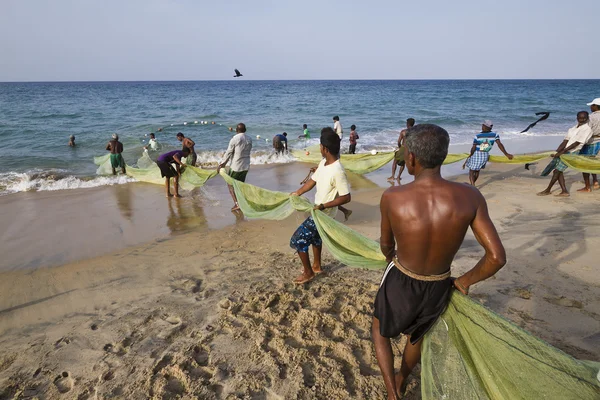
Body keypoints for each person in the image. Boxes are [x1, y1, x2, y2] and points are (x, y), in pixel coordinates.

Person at [373, 124, 507, 400]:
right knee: (417, 336)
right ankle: (401, 378)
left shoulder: (392, 197)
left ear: (411, 158)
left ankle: (391, 391)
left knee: (378, 327)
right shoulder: (470, 196)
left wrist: (389, 257)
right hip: (438, 285)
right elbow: (496, 258)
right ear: (444, 156)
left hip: (401, 276)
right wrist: (463, 281)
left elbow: (387, 245)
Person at [290, 127, 351, 284]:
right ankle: (316, 266)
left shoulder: (338, 170)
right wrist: (297, 193)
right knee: (316, 238)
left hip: (324, 213)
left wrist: (324, 206)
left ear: (325, 148)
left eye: (320, 146)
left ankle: (308, 272)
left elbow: (346, 197)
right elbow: (312, 181)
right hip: (319, 210)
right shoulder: (323, 163)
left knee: (298, 240)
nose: (319, 149)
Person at [537, 111, 593, 197]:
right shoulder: (572, 129)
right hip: (565, 151)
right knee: (557, 171)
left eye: (584, 118)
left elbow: (576, 143)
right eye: (580, 118)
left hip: (572, 152)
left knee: (557, 171)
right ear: (577, 118)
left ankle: (548, 190)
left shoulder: (587, 129)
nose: (582, 119)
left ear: (587, 118)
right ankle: (564, 191)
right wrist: (556, 151)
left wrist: (562, 152)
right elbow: (565, 141)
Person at [463, 120, 513, 185]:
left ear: (484, 126)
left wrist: (470, 154)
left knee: (471, 171)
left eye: (482, 125)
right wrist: (506, 154)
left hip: (477, 154)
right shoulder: (495, 135)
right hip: (485, 155)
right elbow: (499, 144)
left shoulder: (478, 136)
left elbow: (473, 148)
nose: (482, 126)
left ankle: (472, 185)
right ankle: (473, 184)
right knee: (477, 170)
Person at [217, 123, 253, 211]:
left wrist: (222, 164)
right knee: (240, 185)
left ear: (236, 130)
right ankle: (241, 203)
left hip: (236, 166)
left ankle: (237, 204)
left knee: (230, 185)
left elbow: (229, 152)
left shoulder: (235, 138)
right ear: (245, 130)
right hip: (245, 166)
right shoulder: (250, 138)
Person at [577, 98, 600, 192]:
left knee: (584, 164)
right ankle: (595, 181)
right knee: (592, 161)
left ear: (595, 106)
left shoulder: (591, 117)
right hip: (598, 142)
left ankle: (587, 187)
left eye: (592, 105)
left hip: (590, 142)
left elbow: (585, 131)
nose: (591, 107)